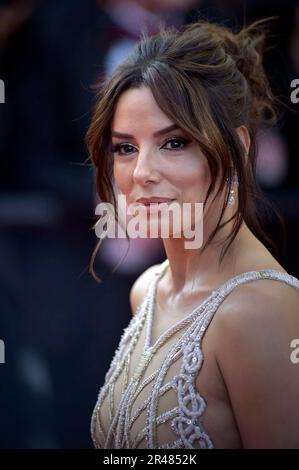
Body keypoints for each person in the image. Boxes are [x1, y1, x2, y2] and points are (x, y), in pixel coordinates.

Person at [86, 18, 299, 449]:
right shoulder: (147, 290)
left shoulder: (261, 312)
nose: (142, 172)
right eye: (125, 148)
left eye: (174, 142)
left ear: (238, 147)